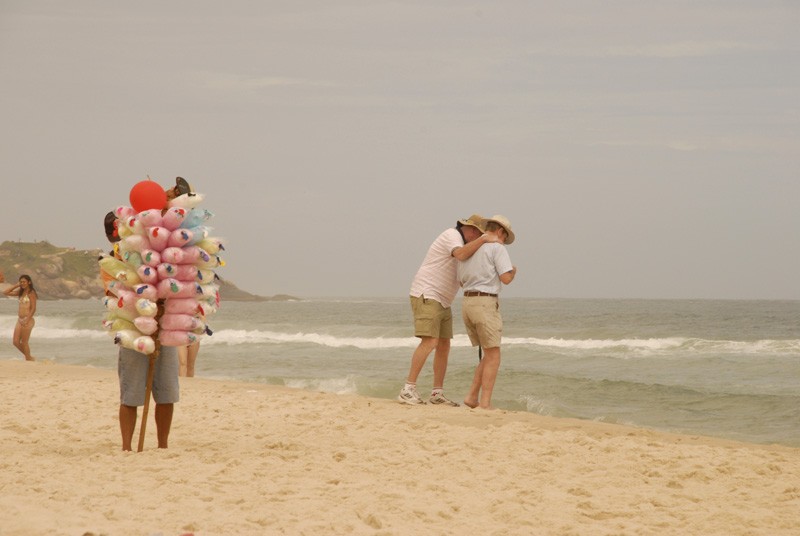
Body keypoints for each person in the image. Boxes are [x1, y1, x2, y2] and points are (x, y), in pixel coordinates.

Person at [398, 215, 499, 406]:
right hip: (427, 293)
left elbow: (463, 279)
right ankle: (408, 389)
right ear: (469, 229)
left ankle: (437, 393)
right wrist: (485, 239)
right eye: (477, 233)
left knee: (444, 345)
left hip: (443, 300)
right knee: (430, 341)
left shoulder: (465, 248)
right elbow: (460, 254)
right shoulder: (451, 235)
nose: (478, 237)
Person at [102, 210, 180, 450]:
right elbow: (114, 294)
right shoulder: (113, 261)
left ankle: (163, 445)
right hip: (131, 330)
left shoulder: (151, 249)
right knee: (131, 393)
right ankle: (127, 447)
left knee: (166, 391)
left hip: (164, 328)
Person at [457, 215, 517, 410]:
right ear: (501, 232)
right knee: (493, 355)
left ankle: (472, 396)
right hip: (485, 302)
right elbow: (506, 278)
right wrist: (513, 272)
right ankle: (485, 403)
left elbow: (460, 281)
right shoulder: (497, 248)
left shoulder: (470, 250)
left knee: (488, 354)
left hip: (467, 303)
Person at [4, 274, 38, 361]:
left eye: (24, 282)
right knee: (15, 342)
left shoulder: (31, 293)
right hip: (20, 320)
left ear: (29, 282)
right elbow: (5, 292)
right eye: (21, 282)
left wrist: (27, 319)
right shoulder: (21, 293)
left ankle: (28, 359)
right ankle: (29, 357)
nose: (22, 283)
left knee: (24, 342)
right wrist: (16, 285)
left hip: (28, 319)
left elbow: (33, 308)